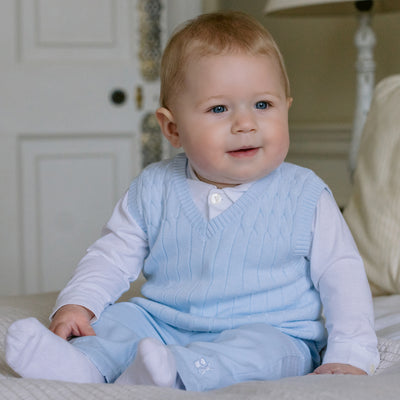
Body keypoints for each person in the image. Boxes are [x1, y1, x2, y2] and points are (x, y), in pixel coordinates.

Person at [5, 11, 379, 391]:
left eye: (263, 105)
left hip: (272, 330)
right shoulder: (154, 188)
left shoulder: (304, 194)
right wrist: (78, 304)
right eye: (219, 109)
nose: (245, 124)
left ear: (287, 106)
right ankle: (83, 365)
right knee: (119, 322)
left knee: (263, 352)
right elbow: (111, 257)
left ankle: (171, 372)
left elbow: (342, 276)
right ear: (173, 129)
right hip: (165, 325)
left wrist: (350, 353)